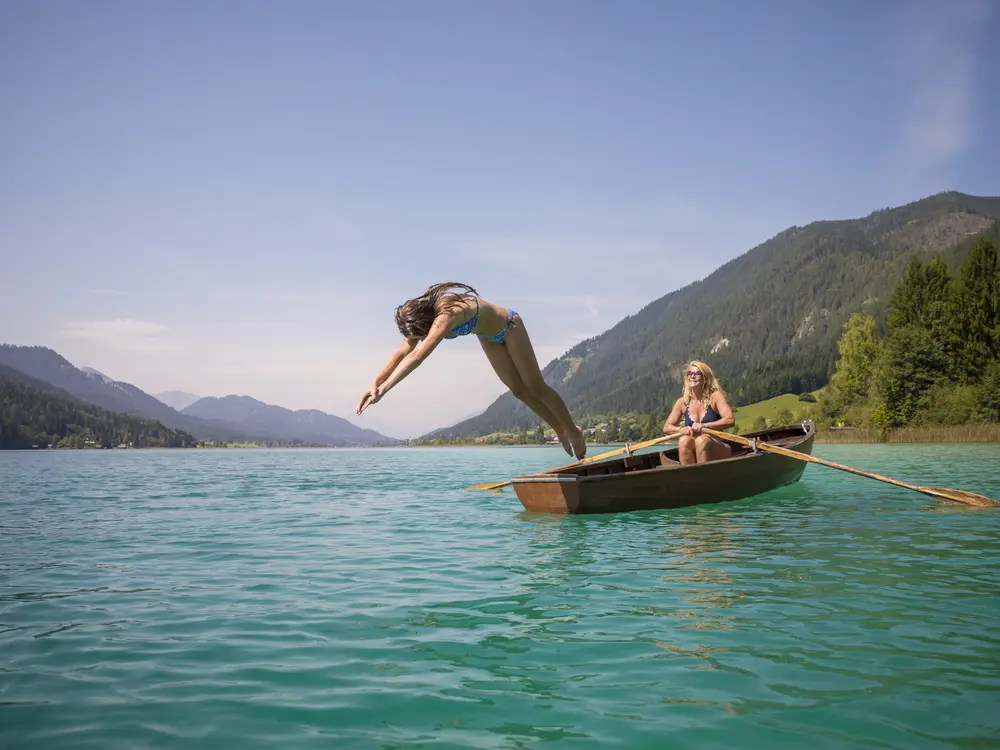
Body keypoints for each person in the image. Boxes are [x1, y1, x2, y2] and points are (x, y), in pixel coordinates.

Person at [356, 282, 587, 459]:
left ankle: (573, 430)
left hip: (509, 326)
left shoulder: (447, 314)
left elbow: (417, 357)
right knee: (519, 391)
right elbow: (402, 353)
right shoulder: (423, 322)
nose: (419, 340)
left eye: (421, 336)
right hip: (488, 337)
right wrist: (374, 383)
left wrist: (385, 389)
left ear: (427, 323)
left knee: (535, 386)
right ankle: (561, 430)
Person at [662, 360, 735, 465]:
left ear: (705, 377)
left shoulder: (715, 396)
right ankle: (691, 478)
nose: (692, 376)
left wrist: (705, 426)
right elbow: (667, 427)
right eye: (689, 374)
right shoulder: (682, 402)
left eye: (697, 373)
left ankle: (704, 477)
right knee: (683, 441)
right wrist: (681, 429)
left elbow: (730, 420)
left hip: (718, 447)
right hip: (696, 447)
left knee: (702, 440)